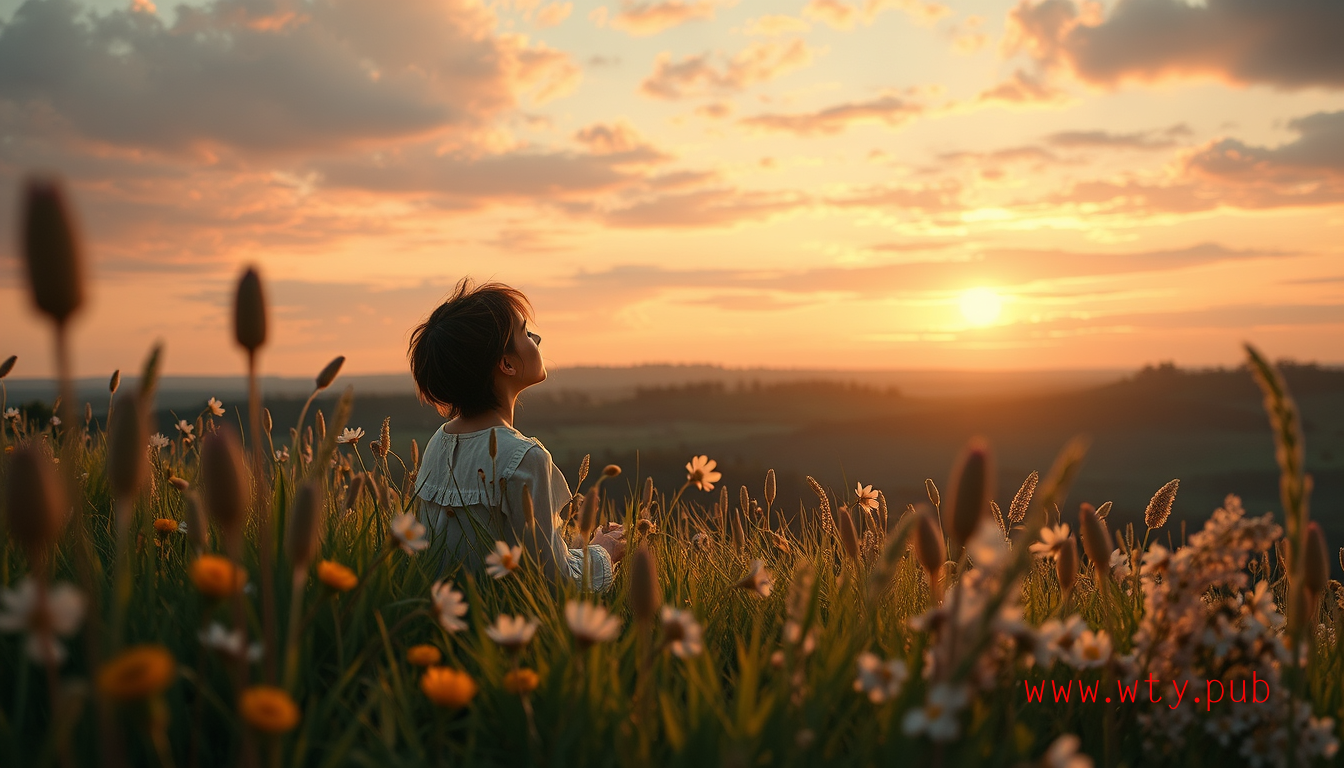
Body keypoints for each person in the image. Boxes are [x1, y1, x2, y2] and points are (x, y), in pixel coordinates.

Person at [407, 278, 626, 590]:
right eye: (524, 332)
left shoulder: (436, 444)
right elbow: (554, 582)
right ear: (506, 364)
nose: (536, 338)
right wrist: (603, 553)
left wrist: (577, 549)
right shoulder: (525, 458)